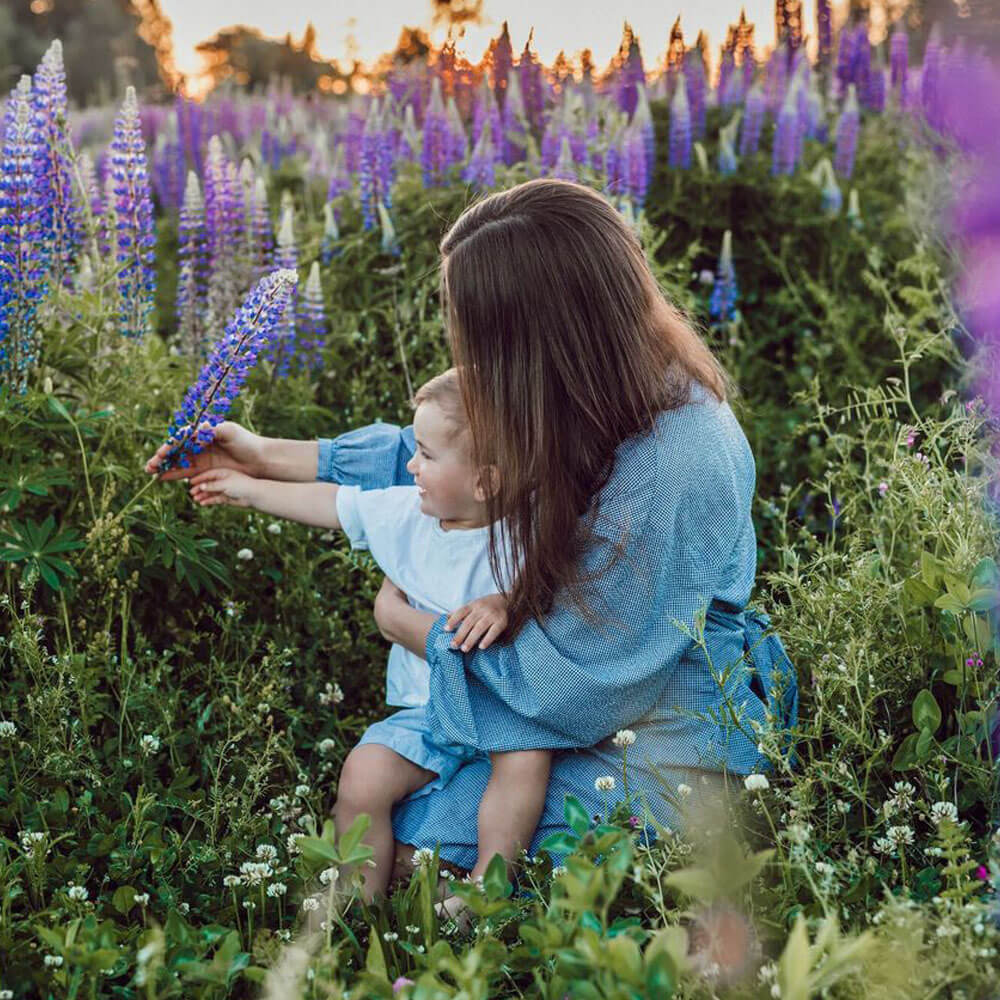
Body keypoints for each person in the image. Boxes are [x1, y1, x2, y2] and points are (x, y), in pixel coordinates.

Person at [147, 177, 798, 889]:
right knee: (394, 816)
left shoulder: (673, 461)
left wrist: (413, 629)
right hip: (570, 681)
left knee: (423, 849)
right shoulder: (601, 383)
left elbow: (578, 685)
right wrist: (266, 453)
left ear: (543, 337)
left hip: (655, 714)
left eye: (481, 337)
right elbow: (460, 454)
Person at [159, 368, 552, 912]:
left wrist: (506, 602)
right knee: (363, 772)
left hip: (502, 709)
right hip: (430, 712)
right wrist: (246, 489)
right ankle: (356, 905)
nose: (410, 465)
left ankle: (487, 887)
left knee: (527, 758)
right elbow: (334, 505)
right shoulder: (407, 515)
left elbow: (563, 587)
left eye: (426, 455)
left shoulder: (530, 532)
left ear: (485, 481)